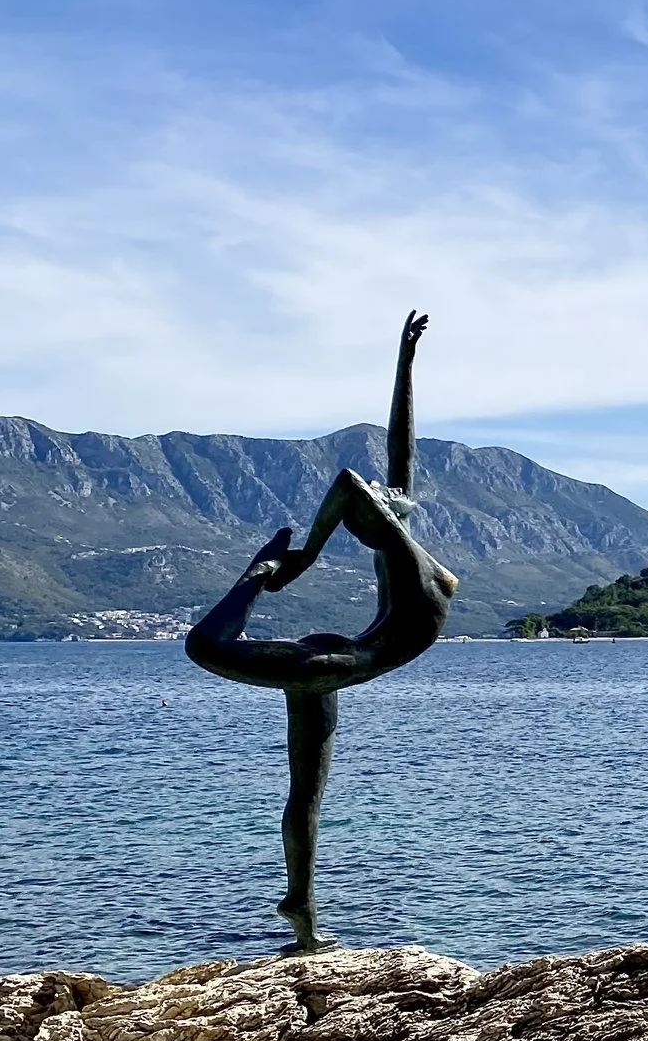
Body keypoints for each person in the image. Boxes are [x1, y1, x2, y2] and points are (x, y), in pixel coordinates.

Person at [186, 311, 458, 953]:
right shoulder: (407, 563)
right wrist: (405, 365)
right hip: (340, 661)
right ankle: (303, 915)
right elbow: (402, 454)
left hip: (331, 666)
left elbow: (347, 485)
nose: (358, 530)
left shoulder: (417, 570)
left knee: (204, 648)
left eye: (363, 525)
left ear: (381, 524)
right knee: (305, 792)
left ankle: (256, 574)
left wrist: (299, 558)